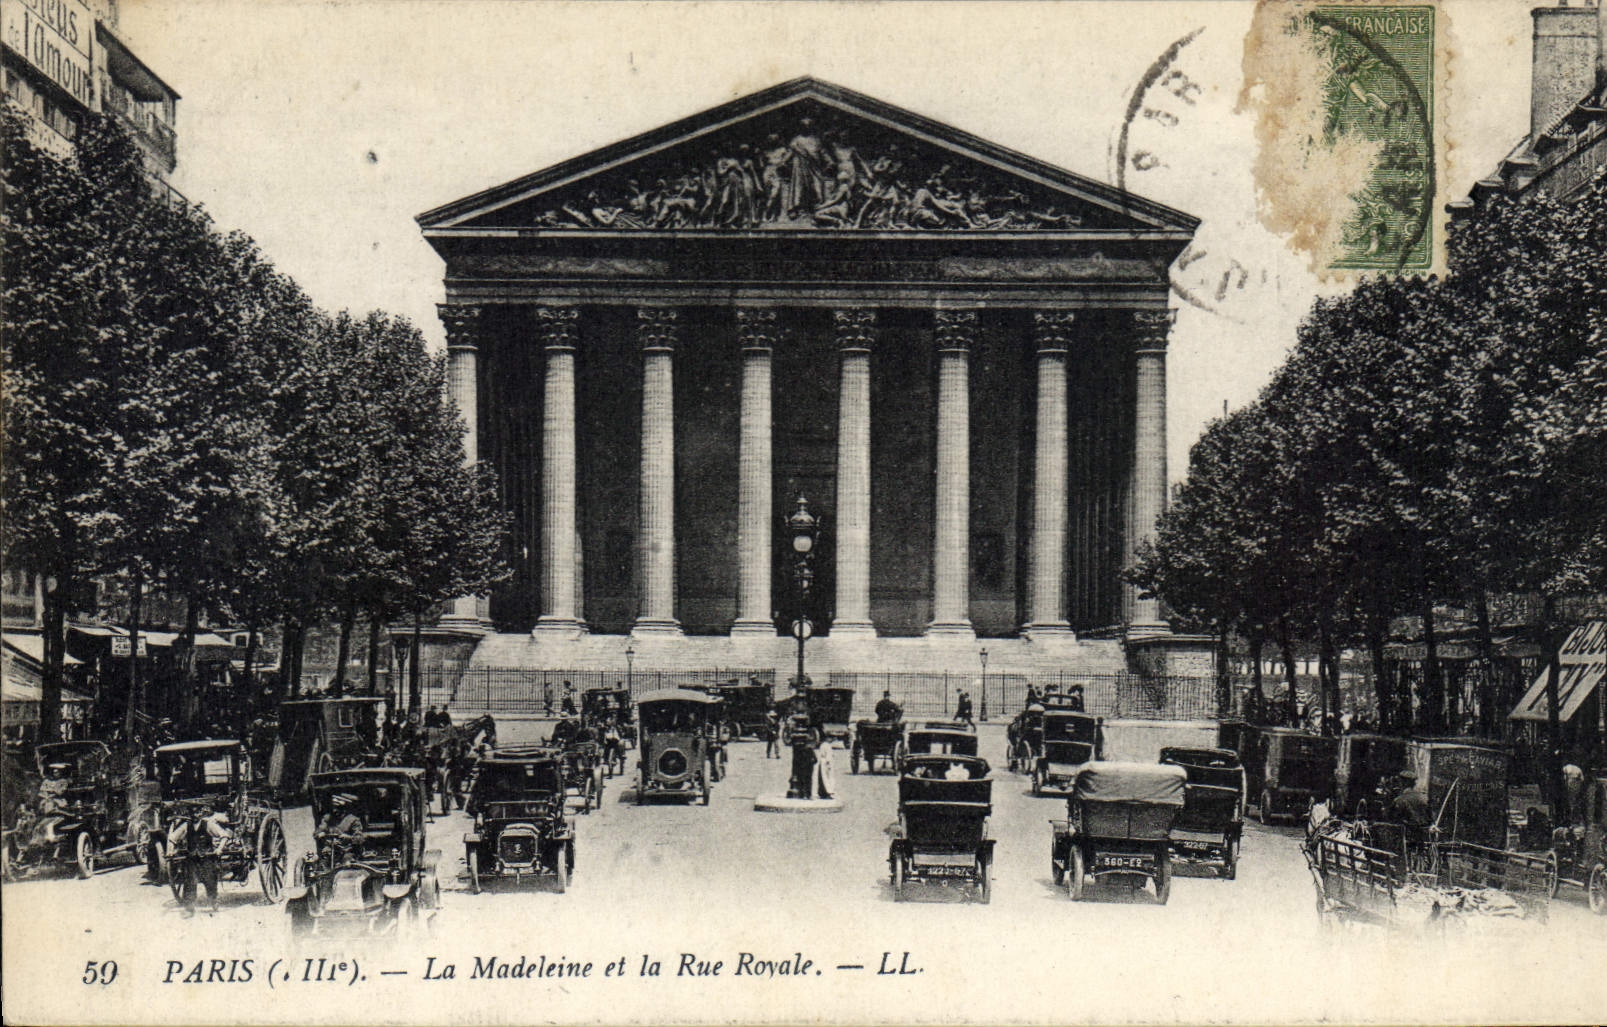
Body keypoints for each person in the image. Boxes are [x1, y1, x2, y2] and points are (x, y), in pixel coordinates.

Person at [814, 730, 836, 800]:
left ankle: (821, 792)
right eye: (831, 738)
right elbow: (828, 756)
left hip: (822, 762)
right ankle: (827, 792)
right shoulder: (827, 745)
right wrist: (829, 764)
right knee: (827, 778)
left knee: (822, 777)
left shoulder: (823, 744)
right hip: (826, 763)